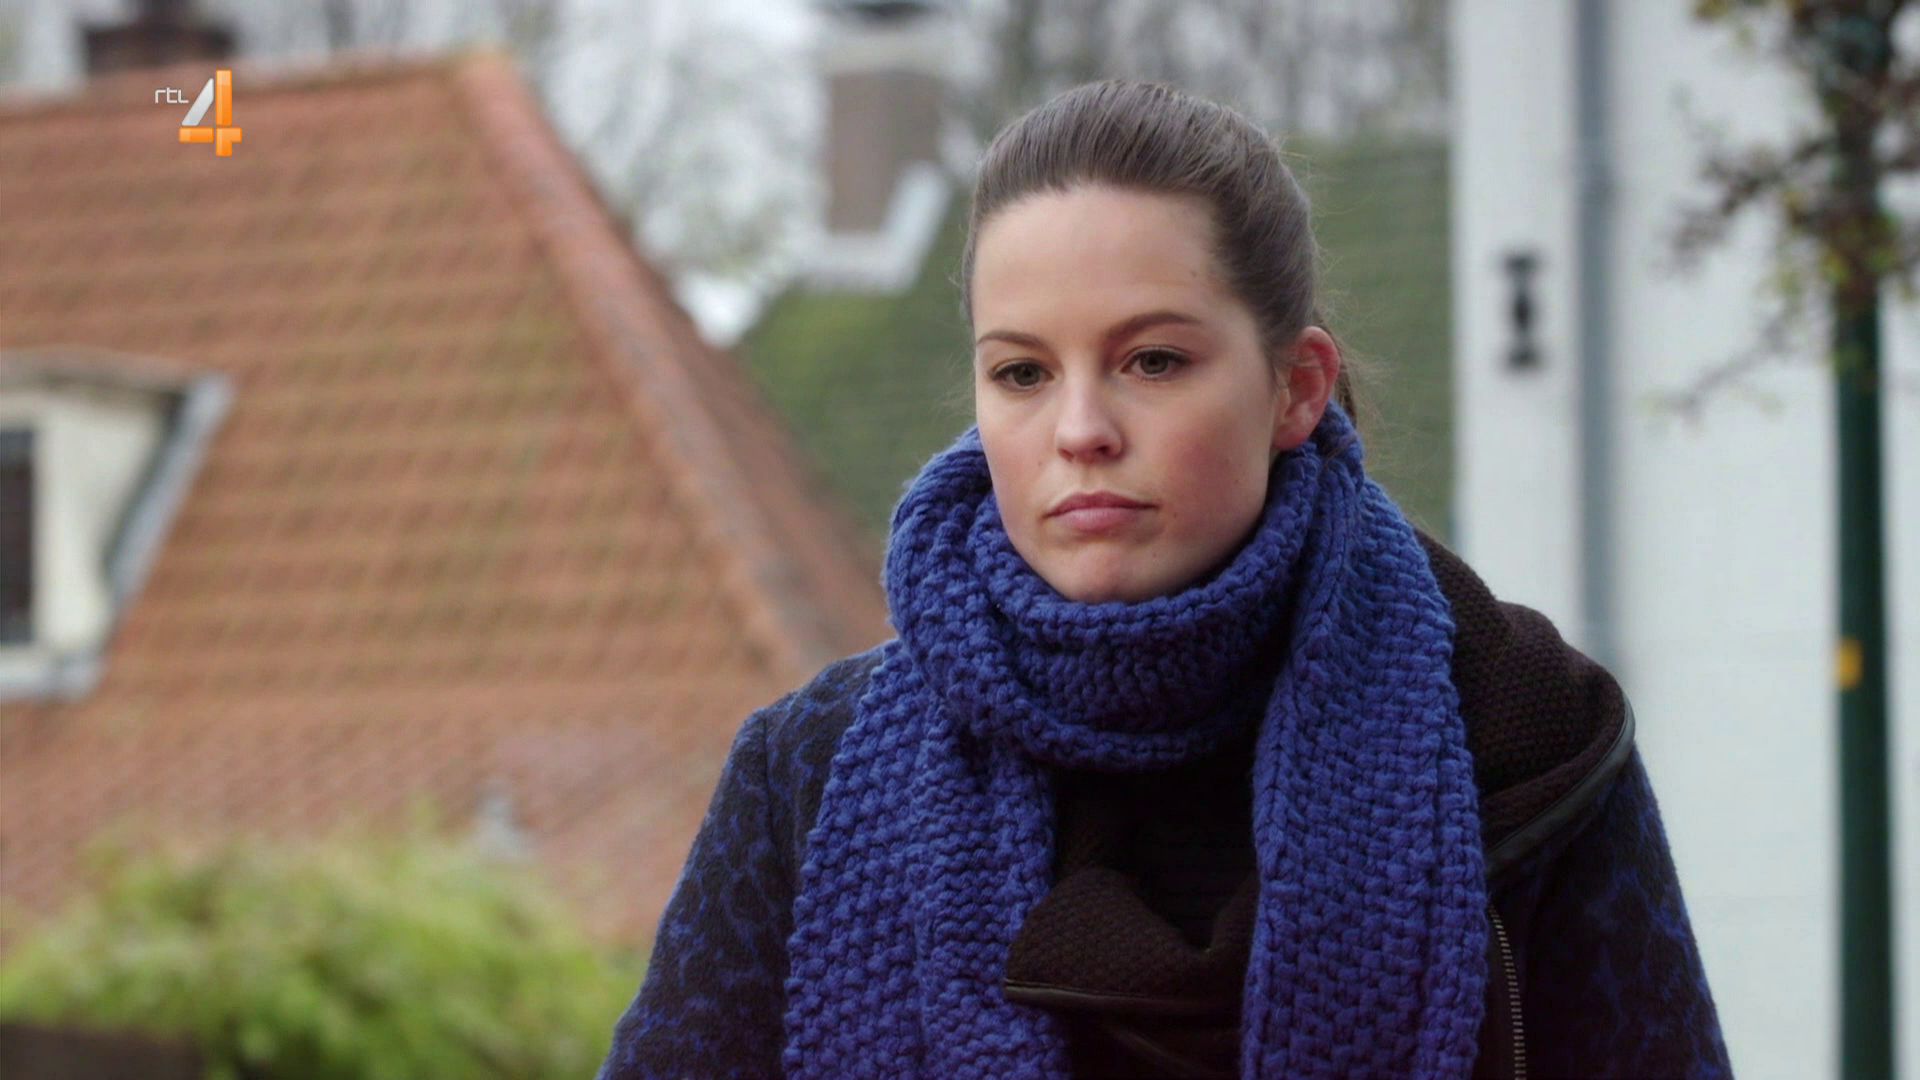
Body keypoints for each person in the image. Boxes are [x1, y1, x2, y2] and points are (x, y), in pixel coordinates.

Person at [596, 80, 1732, 1079]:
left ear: (1296, 388)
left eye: (1152, 360)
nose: (1080, 429)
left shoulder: (1524, 738)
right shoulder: (811, 775)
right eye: (1023, 373)